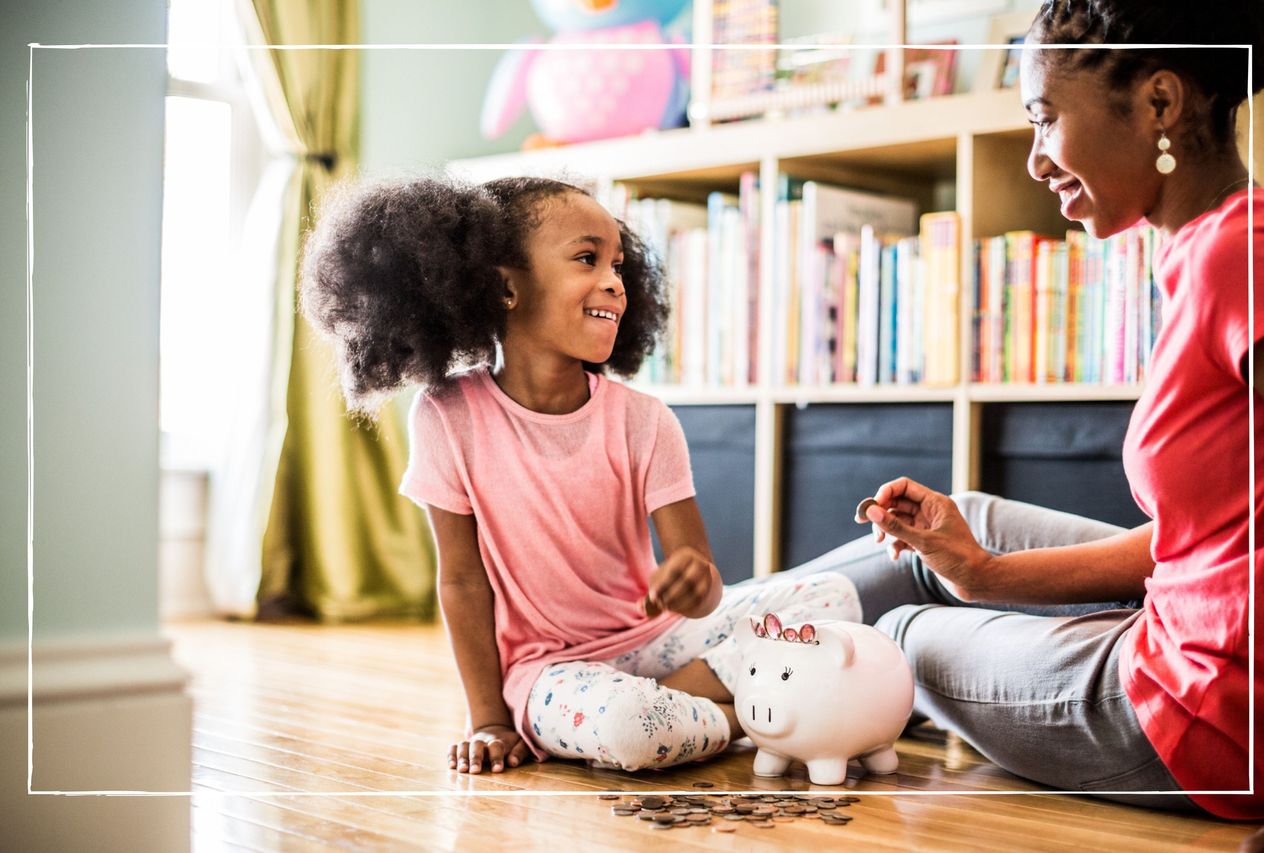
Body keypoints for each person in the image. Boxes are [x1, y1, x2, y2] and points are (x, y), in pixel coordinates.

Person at [789, 0, 1264, 820]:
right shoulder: (1222, 240)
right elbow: (1209, 532)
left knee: (903, 631)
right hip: (1194, 633)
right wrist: (982, 573)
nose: (1036, 160)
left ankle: (654, 672)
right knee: (955, 535)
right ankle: (662, 651)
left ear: (1160, 103)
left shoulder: (1240, 253)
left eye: (1045, 119)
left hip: (1216, 720)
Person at [298, 175, 860, 776]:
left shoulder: (645, 421)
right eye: (587, 259)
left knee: (835, 597)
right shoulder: (446, 416)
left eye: (618, 265)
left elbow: (701, 575)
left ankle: (702, 704)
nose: (614, 282)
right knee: (628, 729)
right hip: (551, 671)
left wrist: (694, 579)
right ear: (504, 287)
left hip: (658, 639)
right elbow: (462, 584)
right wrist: (488, 719)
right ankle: (752, 711)